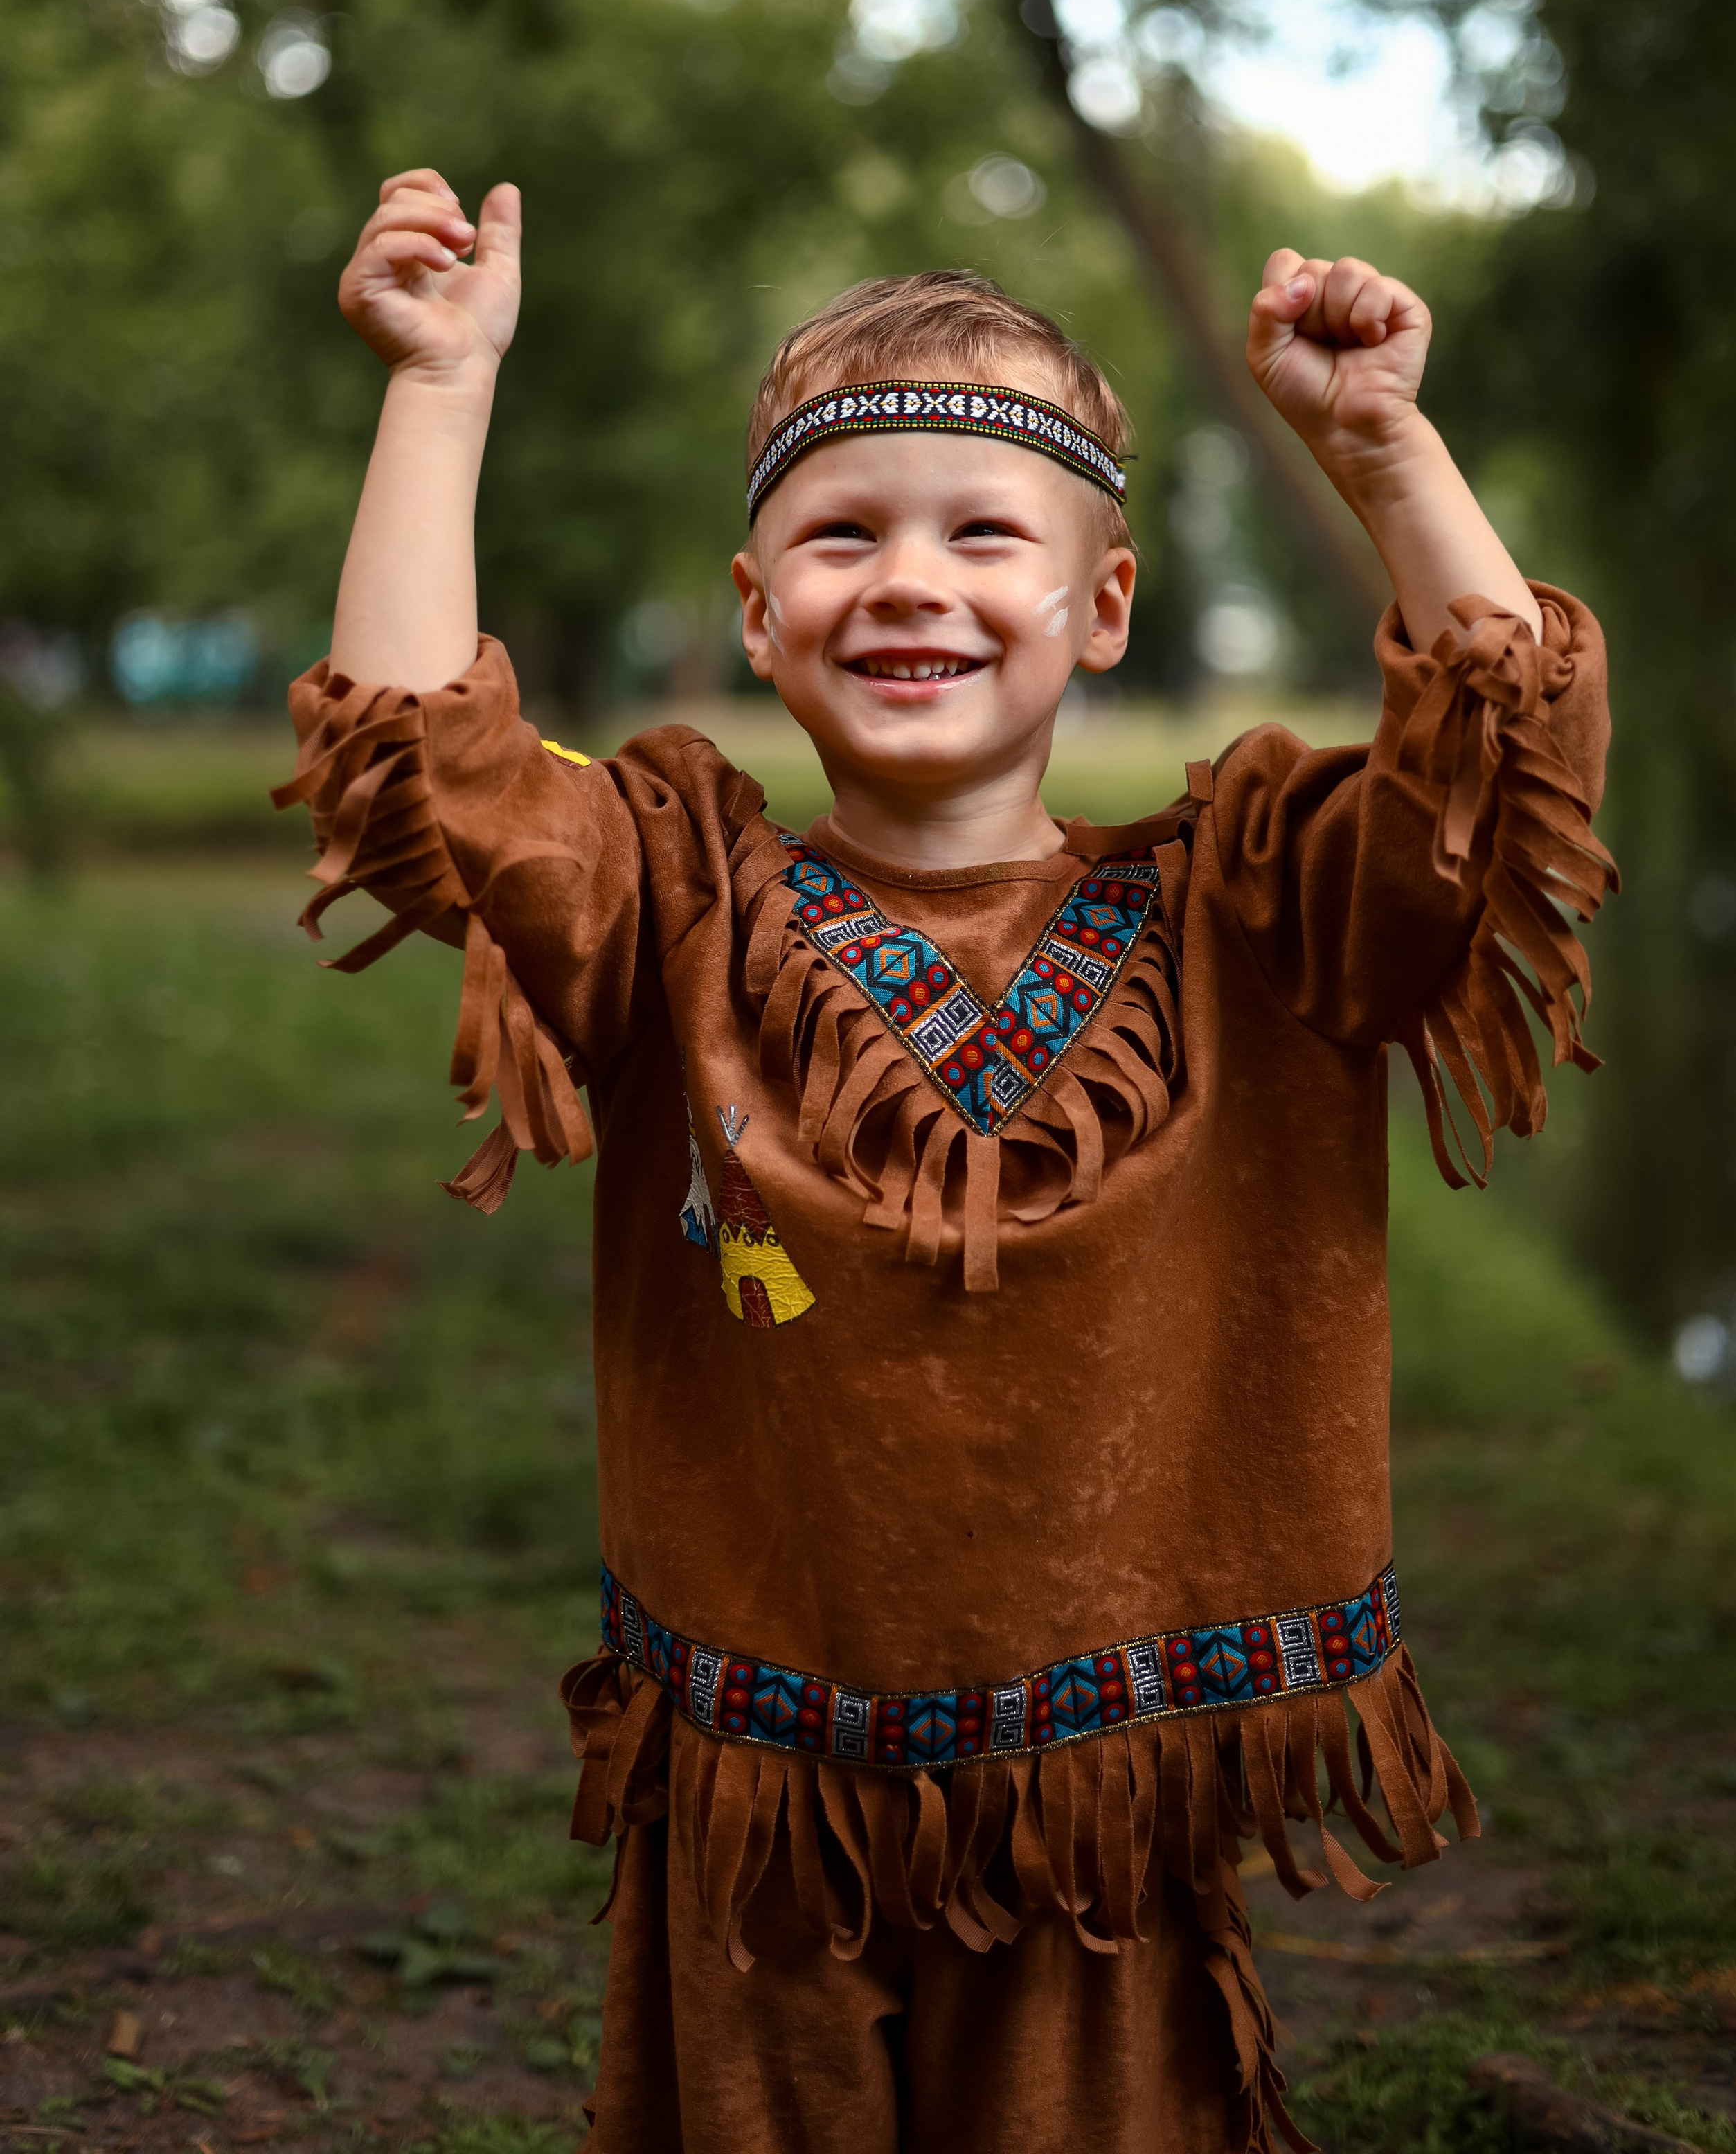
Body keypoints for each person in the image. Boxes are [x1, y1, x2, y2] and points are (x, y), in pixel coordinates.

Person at [278, 169, 1616, 2153]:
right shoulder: (673, 896)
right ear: (760, 613)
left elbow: (1501, 777)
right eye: (843, 536)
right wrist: (443, 385)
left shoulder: (1252, 914)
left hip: (1101, 1806)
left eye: (984, 533)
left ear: (1104, 607)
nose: (909, 579)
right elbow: (414, 772)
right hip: (760, 1790)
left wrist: (1386, 448)